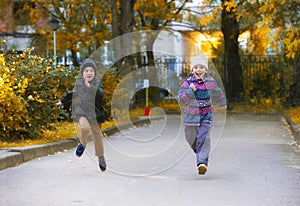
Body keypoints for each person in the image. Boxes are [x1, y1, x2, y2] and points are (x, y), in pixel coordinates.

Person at [178, 54, 226, 175]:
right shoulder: (188, 83)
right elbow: (181, 98)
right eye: (196, 67)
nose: (198, 70)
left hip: (206, 115)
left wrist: (222, 102)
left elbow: (218, 92)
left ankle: (202, 163)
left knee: (203, 138)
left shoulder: (210, 82)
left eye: (201, 67)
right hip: (191, 117)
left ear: (206, 70)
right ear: (192, 70)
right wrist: (190, 91)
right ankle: (202, 154)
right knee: (191, 139)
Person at [56, 59, 106, 171]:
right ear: (82, 73)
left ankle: (100, 157)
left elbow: (100, 94)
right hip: (82, 111)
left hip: (96, 114)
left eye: (91, 71)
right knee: (84, 128)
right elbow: (72, 94)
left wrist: (90, 87)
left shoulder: (97, 83)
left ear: (94, 73)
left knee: (97, 137)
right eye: (86, 71)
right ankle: (82, 144)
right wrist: (63, 101)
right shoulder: (79, 83)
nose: (89, 73)